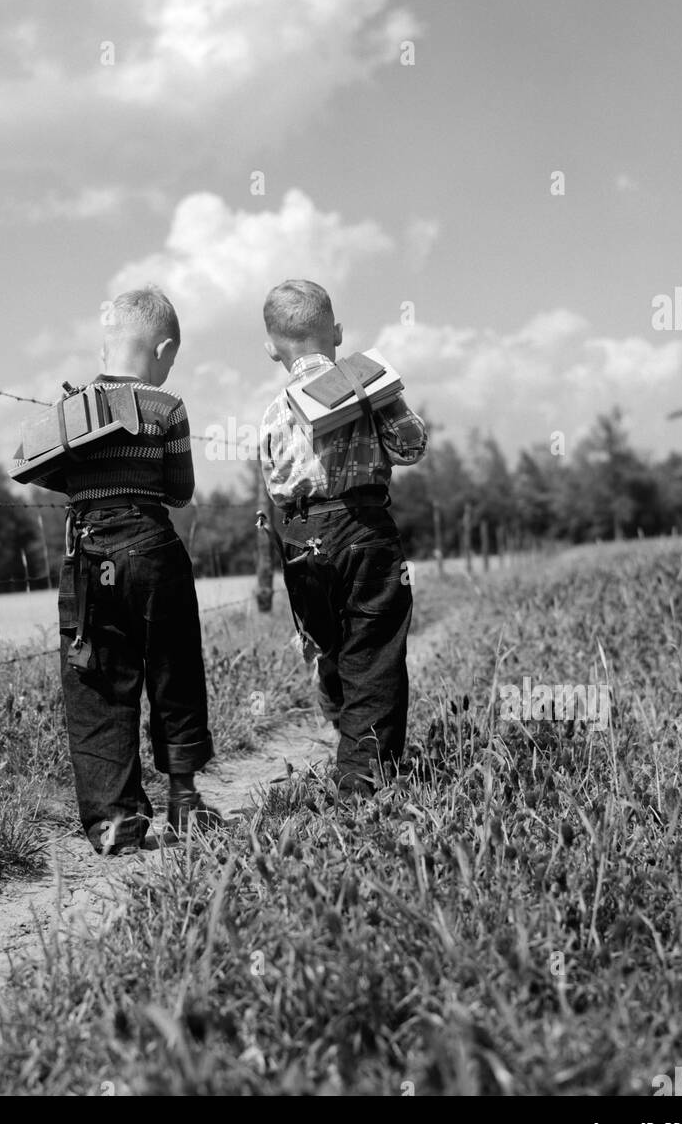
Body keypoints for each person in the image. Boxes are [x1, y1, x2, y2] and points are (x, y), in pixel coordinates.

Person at [51, 286, 220, 853]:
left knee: (96, 682)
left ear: (105, 347)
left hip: (86, 557)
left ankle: (114, 822)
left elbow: (55, 478)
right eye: (172, 358)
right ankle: (185, 802)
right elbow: (179, 490)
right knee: (174, 671)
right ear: (163, 348)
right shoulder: (167, 408)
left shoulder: (69, 412)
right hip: (152, 550)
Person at [258, 280, 427, 796]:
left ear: (272, 348)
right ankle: (363, 782)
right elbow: (411, 447)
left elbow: (273, 481)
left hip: (303, 537)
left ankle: (339, 709)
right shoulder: (368, 385)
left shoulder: (272, 411)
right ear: (335, 330)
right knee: (373, 651)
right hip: (365, 528)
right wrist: (386, 406)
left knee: (325, 643)